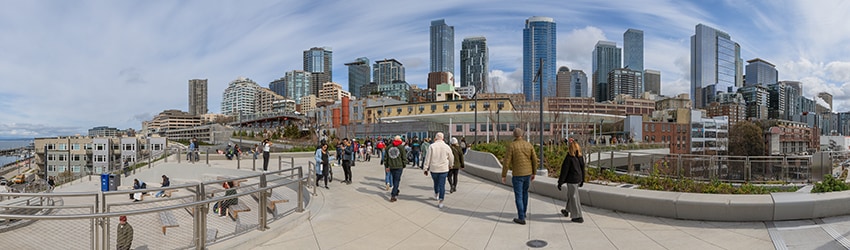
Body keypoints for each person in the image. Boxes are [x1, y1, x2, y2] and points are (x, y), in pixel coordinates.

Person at [501, 128, 538, 225]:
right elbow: (534, 159)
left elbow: (506, 162)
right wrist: (534, 172)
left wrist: (504, 174)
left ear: (514, 135)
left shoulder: (512, 146)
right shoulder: (528, 145)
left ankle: (521, 217)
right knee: (525, 193)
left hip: (517, 174)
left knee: (518, 196)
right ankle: (524, 213)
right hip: (528, 174)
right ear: (522, 135)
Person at [557, 137, 586, 223]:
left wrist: (560, 182)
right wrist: (582, 180)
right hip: (578, 179)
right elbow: (583, 169)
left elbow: (564, 171)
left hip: (572, 180)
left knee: (574, 197)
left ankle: (578, 216)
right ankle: (567, 210)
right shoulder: (580, 157)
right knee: (571, 195)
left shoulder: (569, 158)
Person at [423, 132, 453, 208]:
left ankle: (436, 193)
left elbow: (428, 158)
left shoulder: (432, 146)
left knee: (436, 182)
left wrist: (425, 168)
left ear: (435, 138)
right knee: (442, 185)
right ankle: (441, 201)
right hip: (443, 168)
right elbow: (451, 157)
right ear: (443, 138)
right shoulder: (447, 146)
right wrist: (450, 165)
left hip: (434, 168)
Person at [384, 135, 407, 202]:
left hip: (391, 166)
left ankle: (396, 190)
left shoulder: (388, 147)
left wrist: (387, 166)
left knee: (394, 179)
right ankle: (393, 195)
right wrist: (404, 164)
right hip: (399, 166)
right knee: (397, 180)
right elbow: (404, 157)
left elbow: (386, 158)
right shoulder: (401, 147)